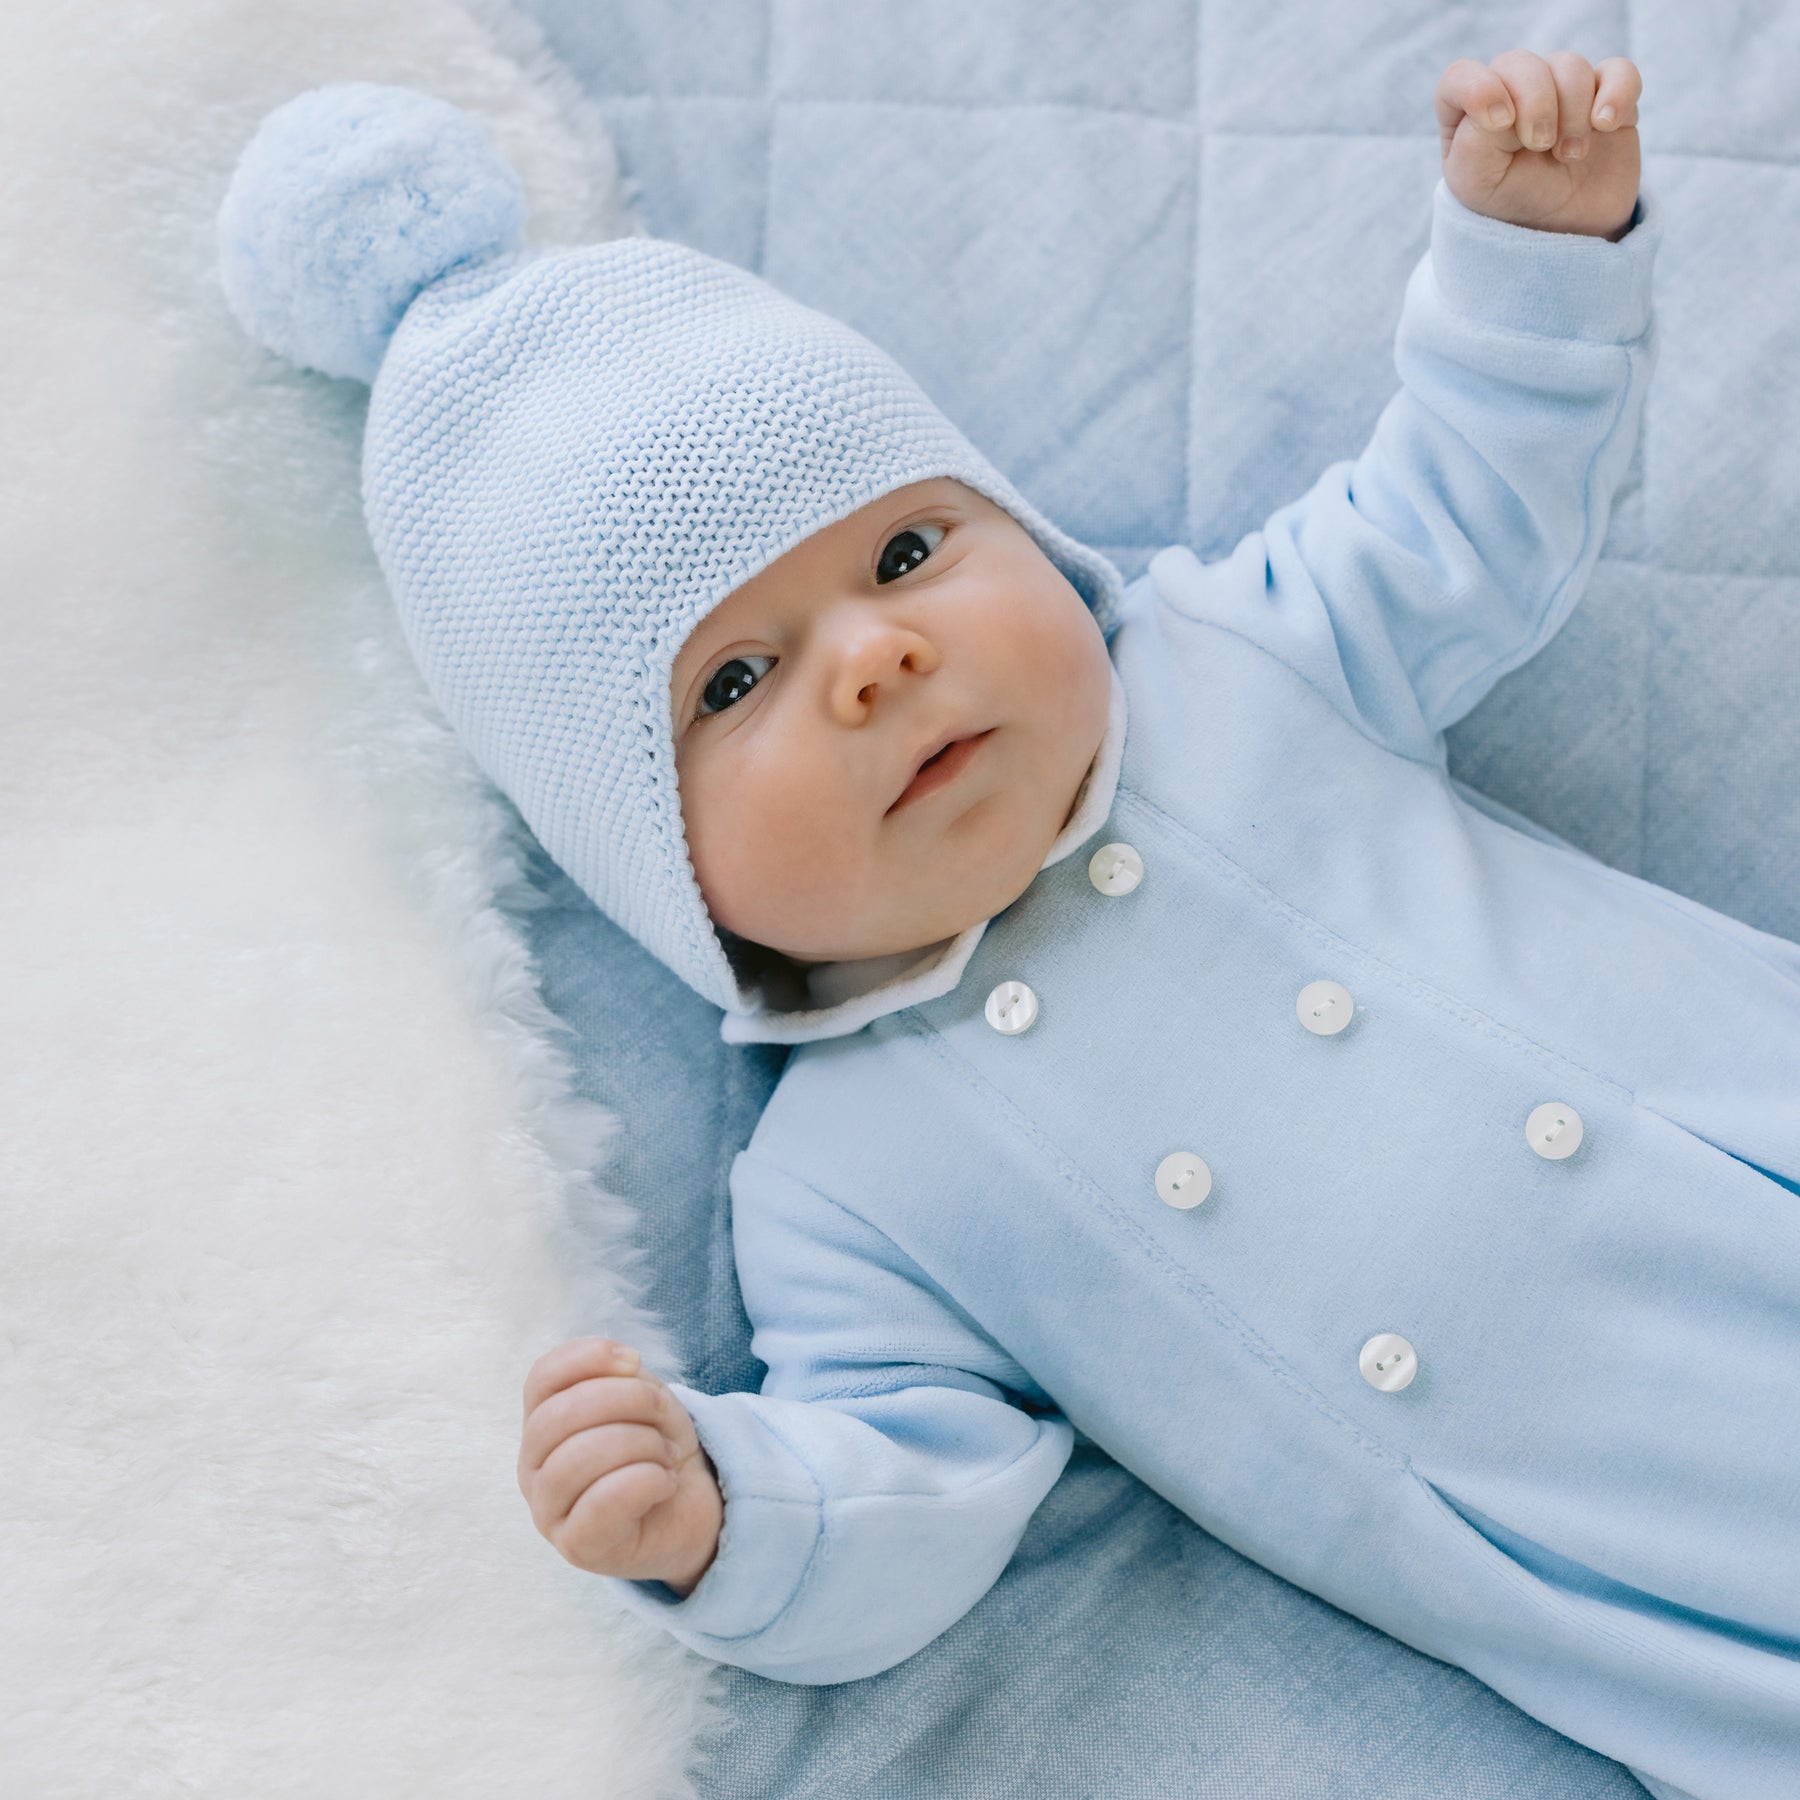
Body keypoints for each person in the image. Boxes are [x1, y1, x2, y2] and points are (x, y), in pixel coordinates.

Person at [218, 50, 1800, 1800]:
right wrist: (721, 1510)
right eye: (735, 679)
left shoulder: (1241, 663)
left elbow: (1462, 518)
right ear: (650, 862)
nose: (877, 655)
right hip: (1663, 1596)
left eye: (907, 552)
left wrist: (1529, 259)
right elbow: (903, 1481)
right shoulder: (846, 1181)